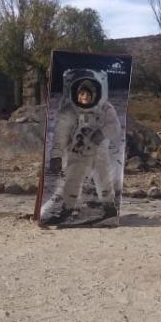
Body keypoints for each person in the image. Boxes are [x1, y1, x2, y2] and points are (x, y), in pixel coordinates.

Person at [39, 68, 122, 226]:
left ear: (95, 94)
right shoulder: (69, 112)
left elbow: (114, 126)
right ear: (75, 94)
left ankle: (109, 207)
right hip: (77, 152)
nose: (84, 98)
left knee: (103, 179)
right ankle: (67, 208)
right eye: (81, 94)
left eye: (88, 94)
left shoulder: (105, 108)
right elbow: (60, 135)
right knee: (72, 179)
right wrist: (56, 155)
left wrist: (102, 134)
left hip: (98, 152)